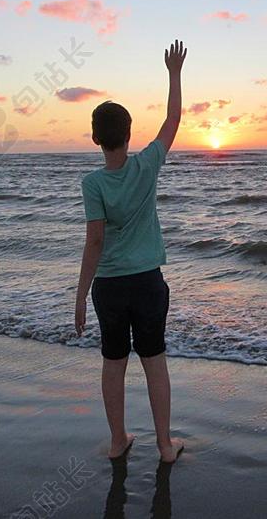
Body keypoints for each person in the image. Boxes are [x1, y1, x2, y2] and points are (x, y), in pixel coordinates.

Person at [75, 39, 187, 463]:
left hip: (109, 287)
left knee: (113, 362)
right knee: (154, 361)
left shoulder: (93, 184)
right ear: (129, 134)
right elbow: (173, 119)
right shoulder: (145, 166)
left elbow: (95, 243)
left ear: (94, 138)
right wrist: (173, 74)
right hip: (146, 283)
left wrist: (81, 295)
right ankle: (164, 446)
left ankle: (119, 439)